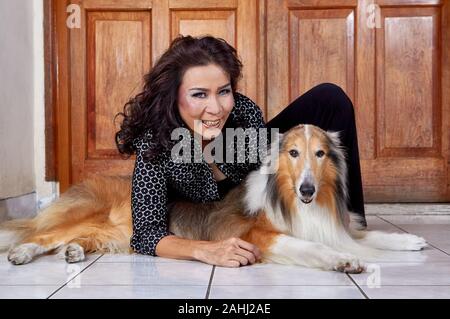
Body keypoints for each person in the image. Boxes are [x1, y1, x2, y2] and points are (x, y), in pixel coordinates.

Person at [115, 35, 367, 268]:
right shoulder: (154, 140)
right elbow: (146, 234)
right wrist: (205, 250)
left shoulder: (243, 113)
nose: (215, 108)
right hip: (201, 218)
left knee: (329, 97)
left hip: (243, 197)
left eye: (223, 91)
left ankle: (345, 218)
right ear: (173, 97)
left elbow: (267, 173)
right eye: (199, 94)